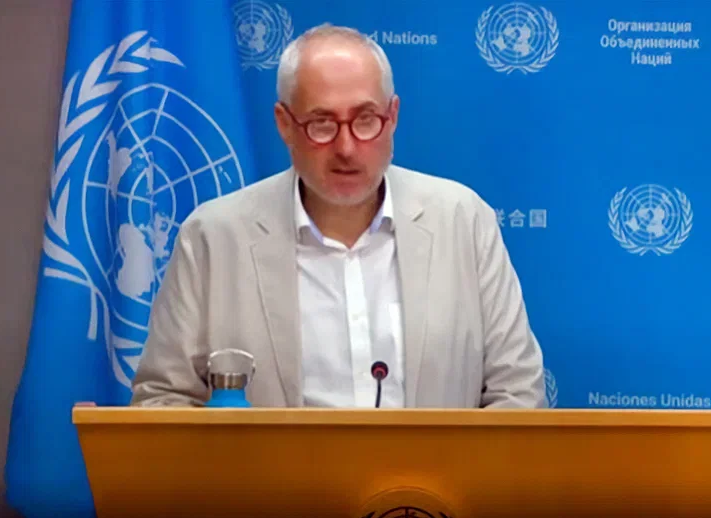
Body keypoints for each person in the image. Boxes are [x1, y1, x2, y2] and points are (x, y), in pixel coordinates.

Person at [130, 24, 546, 409]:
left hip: (434, 489)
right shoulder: (213, 238)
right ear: (284, 124)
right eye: (322, 123)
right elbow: (163, 400)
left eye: (366, 120)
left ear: (393, 117)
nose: (347, 148)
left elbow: (518, 392)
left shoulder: (463, 220)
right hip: (271, 490)